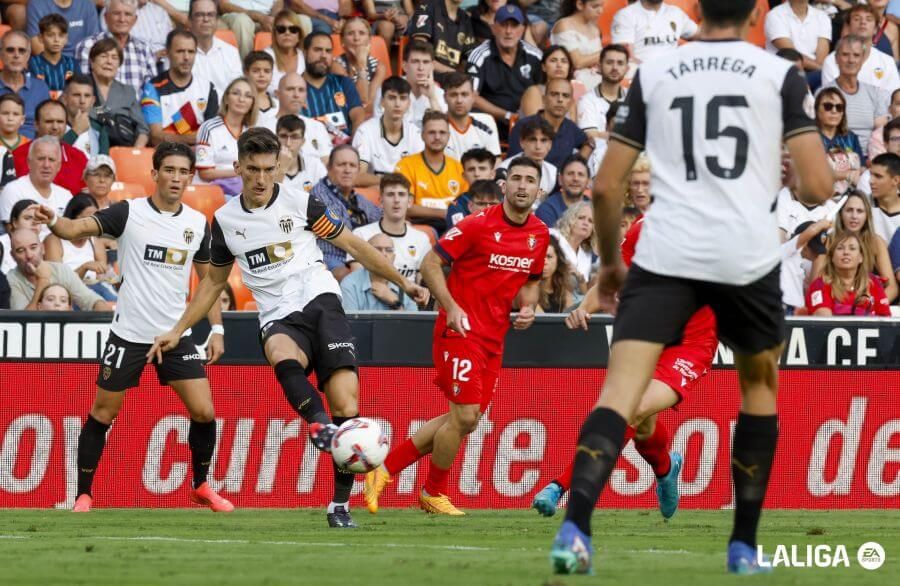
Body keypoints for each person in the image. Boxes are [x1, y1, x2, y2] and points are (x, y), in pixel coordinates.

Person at [548, 0, 833, 576]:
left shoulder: (654, 73)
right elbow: (818, 186)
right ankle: (743, 547)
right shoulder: (779, 74)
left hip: (667, 251)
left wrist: (608, 267)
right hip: (743, 254)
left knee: (618, 395)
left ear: (696, 10)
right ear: (756, 11)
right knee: (758, 392)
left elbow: (605, 189)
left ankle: (575, 530)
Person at [149, 127, 427, 528]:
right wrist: (179, 329)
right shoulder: (225, 221)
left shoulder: (301, 203)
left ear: (278, 166)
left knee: (347, 407)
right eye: (252, 170)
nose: (260, 179)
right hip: (277, 314)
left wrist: (405, 283)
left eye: (267, 169)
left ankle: (338, 504)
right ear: (238, 167)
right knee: (280, 352)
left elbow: (353, 246)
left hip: (320, 301)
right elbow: (212, 283)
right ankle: (319, 424)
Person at [31, 141, 230, 513]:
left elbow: (210, 282)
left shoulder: (195, 223)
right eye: (168, 170)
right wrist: (55, 221)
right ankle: (84, 494)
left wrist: (216, 329)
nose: (176, 177)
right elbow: (76, 225)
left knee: (204, 412)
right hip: (129, 335)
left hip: (175, 336)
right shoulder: (128, 212)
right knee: (103, 413)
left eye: (183, 171)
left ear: (190, 176)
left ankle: (201, 486)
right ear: (154, 174)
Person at [364, 156, 549, 515]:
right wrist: (450, 305)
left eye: (530, 180)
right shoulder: (477, 225)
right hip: (459, 330)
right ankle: (433, 493)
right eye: (517, 178)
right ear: (504, 185)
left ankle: (383, 471)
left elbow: (532, 281)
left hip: (494, 339)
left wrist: (528, 308)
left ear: (539, 189)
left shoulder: (539, 234)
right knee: (464, 418)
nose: (523, 185)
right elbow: (430, 263)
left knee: (463, 418)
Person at [534, 214, 718, 518]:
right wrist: (584, 309)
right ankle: (666, 468)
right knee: (643, 427)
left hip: (691, 345)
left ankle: (560, 487)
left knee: (630, 409)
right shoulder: (645, 229)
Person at [467, 5, 543, 140]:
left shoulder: (535, 56)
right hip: (492, 123)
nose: (509, 31)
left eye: (514, 26)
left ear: (523, 29)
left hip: (528, 120)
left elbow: (543, 91)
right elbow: (472, 97)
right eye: (503, 25)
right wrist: (506, 115)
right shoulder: (479, 55)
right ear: (493, 28)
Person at [312, 144, 383, 280]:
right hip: (330, 258)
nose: (347, 170)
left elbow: (380, 219)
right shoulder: (319, 194)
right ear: (329, 168)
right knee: (354, 278)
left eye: (352, 165)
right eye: (341, 165)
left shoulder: (355, 197)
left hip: (357, 256)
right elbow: (346, 235)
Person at [348, 173, 433, 282]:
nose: (396, 200)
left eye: (401, 194)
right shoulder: (361, 235)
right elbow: (358, 283)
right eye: (390, 194)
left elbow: (423, 285)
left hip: (409, 298)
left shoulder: (422, 239)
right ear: (381, 201)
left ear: (410, 201)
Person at [142, 30, 219, 146]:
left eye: (191, 51)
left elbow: (212, 136)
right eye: (180, 51)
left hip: (201, 156)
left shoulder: (208, 88)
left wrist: (172, 137)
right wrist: (194, 138)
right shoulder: (152, 88)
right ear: (167, 53)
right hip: (165, 155)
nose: (186, 57)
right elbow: (155, 137)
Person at [6, 228, 112, 311]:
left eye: (33, 247)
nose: (29, 255)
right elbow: (22, 322)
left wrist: (104, 313)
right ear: (13, 256)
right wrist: (43, 281)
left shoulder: (61, 270)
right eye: (20, 251)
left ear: (42, 249)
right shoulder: (11, 280)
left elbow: (90, 300)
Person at [823, 190, 899, 302]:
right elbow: (821, 281)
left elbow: (892, 288)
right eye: (849, 210)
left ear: (867, 215)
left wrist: (872, 306)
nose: (854, 216)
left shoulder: (875, 242)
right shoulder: (829, 241)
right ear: (841, 213)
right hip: (836, 303)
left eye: (860, 211)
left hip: (867, 305)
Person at [396, 111, 468, 227]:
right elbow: (404, 206)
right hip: (420, 225)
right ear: (422, 135)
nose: (437, 137)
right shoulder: (405, 165)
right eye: (432, 132)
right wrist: (444, 213)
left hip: (453, 226)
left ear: (449, 136)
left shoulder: (458, 167)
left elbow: (466, 205)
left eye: (442, 132)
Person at [821, 35, 890, 154]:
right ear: (836, 59)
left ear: (863, 60)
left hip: (871, 157)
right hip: (837, 157)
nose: (851, 60)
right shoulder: (824, 94)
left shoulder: (875, 93)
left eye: (856, 55)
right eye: (845, 54)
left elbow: (881, 132)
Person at [75, 0, 158, 97]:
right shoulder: (87, 46)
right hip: (99, 110)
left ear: (135, 20)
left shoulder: (145, 50)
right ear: (106, 17)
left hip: (136, 111)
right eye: (116, 13)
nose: (122, 19)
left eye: (127, 14)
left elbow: (152, 94)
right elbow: (81, 90)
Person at [352, 77, 423, 187]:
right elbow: (357, 177)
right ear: (382, 102)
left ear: (409, 103)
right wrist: (392, 182)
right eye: (392, 98)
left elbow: (420, 176)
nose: (397, 104)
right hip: (375, 193)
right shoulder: (365, 131)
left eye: (403, 98)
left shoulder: (415, 133)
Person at [196, 77, 258, 196]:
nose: (241, 99)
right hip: (213, 192)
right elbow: (205, 173)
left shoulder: (252, 133)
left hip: (243, 191)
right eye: (236, 93)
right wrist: (239, 172)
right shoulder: (208, 128)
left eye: (248, 96)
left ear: (252, 103)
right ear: (226, 99)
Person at [1, 136, 74, 238]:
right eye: (41, 158)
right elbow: (14, 237)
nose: (46, 165)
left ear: (59, 166)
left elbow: (71, 234)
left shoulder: (66, 196)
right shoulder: (13, 190)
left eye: (52, 160)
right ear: (29, 162)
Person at [508, 78, 591, 167]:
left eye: (565, 96)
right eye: (554, 94)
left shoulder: (571, 127)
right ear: (544, 99)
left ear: (570, 103)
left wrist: (576, 164)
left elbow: (589, 142)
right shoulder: (523, 126)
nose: (560, 100)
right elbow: (512, 165)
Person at [12, 100, 89, 195]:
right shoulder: (16, 156)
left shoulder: (79, 157)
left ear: (66, 126)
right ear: (36, 125)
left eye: (60, 122)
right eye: (49, 121)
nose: (55, 127)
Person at [301, 32, 365, 145]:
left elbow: (358, 116)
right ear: (305, 53)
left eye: (328, 51)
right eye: (317, 50)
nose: (323, 55)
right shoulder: (294, 87)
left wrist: (355, 146)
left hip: (344, 153)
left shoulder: (343, 83)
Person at [806, 232, 891, 316]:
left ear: (861, 257)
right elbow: (825, 322)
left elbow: (885, 319)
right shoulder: (820, 284)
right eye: (840, 248)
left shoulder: (873, 282)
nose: (846, 252)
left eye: (852, 248)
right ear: (832, 257)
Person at [822, 5, 900, 95]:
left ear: (875, 29)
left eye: (869, 19)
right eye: (857, 19)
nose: (863, 22)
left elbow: (893, 100)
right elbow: (832, 99)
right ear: (848, 27)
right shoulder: (832, 61)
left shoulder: (887, 62)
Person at [88, 37, 151, 149]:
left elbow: (143, 129)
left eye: (114, 57)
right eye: (103, 56)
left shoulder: (127, 91)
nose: (109, 61)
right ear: (92, 62)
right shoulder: (80, 87)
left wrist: (134, 153)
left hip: (122, 152)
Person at [374, 40, 447, 129]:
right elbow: (382, 128)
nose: (421, 68)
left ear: (432, 66)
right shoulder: (387, 90)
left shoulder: (439, 94)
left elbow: (443, 131)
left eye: (426, 62)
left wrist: (432, 98)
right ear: (404, 66)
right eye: (415, 62)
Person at [341, 232, 421, 311]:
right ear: (366, 255)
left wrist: (395, 303)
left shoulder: (406, 285)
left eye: (389, 250)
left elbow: (411, 324)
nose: (384, 254)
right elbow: (350, 323)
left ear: (394, 257)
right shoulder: (350, 284)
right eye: (377, 249)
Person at [43, 193, 110, 285]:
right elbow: (58, 281)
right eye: (87, 219)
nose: (92, 224)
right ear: (73, 219)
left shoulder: (95, 241)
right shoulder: (54, 241)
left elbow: (103, 276)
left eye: (95, 219)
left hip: (96, 289)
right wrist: (84, 268)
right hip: (66, 295)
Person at [612, 0, 698, 71]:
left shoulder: (676, 12)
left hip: (673, 74)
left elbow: (701, 35)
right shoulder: (626, 15)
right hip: (640, 74)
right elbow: (624, 56)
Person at [407, 0, 478, 84]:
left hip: (452, 81)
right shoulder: (427, 8)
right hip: (426, 77)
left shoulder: (465, 18)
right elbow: (418, 53)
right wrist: (454, 73)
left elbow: (468, 59)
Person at [0, 30, 52, 139]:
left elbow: (48, 127)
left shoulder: (40, 88)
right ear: (1, 53)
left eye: (22, 51)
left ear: (28, 56)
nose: (16, 55)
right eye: (10, 50)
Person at [331, 17, 388, 115]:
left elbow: (367, 101)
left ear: (369, 39)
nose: (356, 38)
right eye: (350, 33)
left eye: (361, 33)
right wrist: (361, 64)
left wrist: (361, 62)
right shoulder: (336, 65)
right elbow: (358, 100)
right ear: (342, 40)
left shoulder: (379, 67)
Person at [189, 0, 244, 98]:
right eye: (199, 15)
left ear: (217, 20)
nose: (206, 19)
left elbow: (237, 91)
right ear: (190, 20)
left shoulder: (231, 52)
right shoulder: (179, 52)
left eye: (210, 15)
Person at [577, 44, 628, 147]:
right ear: (599, 66)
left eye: (620, 63)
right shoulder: (587, 100)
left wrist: (601, 134)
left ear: (627, 68)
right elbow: (590, 136)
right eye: (609, 62)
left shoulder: (632, 98)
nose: (615, 68)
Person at [815, 87, 864, 196]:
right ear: (817, 110)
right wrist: (847, 175)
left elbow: (862, 168)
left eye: (839, 107)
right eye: (828, 106)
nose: (834, 111)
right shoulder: (809, 139)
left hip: (849, 196)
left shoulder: (851, 138)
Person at [444, 72, 501, 160]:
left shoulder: (486, 122)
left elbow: (496, 162)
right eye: (453, 95)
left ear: (473, 97)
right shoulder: (436, 126)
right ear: (445, 97)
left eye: (464, 94)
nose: (459, 100)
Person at [549, 0, 604, 90]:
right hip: (574, 81)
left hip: (597, 76)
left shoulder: (595, 28)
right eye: (595, 6)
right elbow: (577, 62)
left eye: (602, 6)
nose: (600, 11)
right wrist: (605, 53)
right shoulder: (564, 25)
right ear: (580, 4)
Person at [497, 117, 558, 198]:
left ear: (550, 145)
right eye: (533, 140)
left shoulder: (553, 172)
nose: (538, 146)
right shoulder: (505, 169)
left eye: (543, 140)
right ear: (522, 142)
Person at [764, 0, 831, 72]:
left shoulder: (822, 17)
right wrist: (822, 70)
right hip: (785, 71)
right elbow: (791, 54)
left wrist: (821, 70)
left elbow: (821, 57)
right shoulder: (775, 15)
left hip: (815, 71)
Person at [781, 218, 830, 313]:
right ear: (805, 244)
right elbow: (809, 232)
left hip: (796, 308)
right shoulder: (787, 251)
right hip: (784, 305)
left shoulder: (802, 260)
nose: (817, 254)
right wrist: (822, 224)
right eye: (814, 249)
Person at [28, 14, 80, 99]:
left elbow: (78, 92)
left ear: (66, 38)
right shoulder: (33, 63)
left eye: (61, 35)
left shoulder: (73, 64)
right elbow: (33, 93)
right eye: (50, 35)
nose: (56, 40)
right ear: (40, 38)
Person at [26, 0, 99, 60]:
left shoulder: (87, 5)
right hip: (50, 64)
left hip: (82, 63)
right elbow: (37, 47)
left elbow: (94, 43)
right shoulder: (37, 4)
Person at [275, 114, 328, 193]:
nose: (288, 143)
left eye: (294, 137)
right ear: (276, 139)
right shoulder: (264, 165)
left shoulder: (314, 164)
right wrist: (281, 170)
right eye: (283, 136)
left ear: (303, 142)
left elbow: (327, 196)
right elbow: (267, 201)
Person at [520, 45, 576, 119]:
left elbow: (572, 128)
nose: (559, 65)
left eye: (564, 61)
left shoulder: (570, 98)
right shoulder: (534, 92)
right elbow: (535, 126)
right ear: (543, 67)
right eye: (553, 60)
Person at [550, 200, 594, 291]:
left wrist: (579, 277)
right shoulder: (552, 235)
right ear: (570, 219)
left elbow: (583, 292)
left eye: (590, 221)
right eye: (581, 218)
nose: (585, 223)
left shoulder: (586, 254)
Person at [535, 154, 589, 228]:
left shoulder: (595, 209)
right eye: (570, 174)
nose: (576, 178)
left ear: (588, 182)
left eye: (581, 174)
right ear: (560, 179)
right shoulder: (546, 210)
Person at [61, 75, 104, 159]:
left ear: (93, 101)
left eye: (87, 96)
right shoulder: (54, 125)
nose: (82, 101)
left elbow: (104, 164)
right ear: (65, 99)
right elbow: (53, 154)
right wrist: (75, 132)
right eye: (76, 95)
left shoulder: (99, 129)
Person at [265, 10, 307, 96]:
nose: (287, 33)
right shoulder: (265, 56)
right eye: (281, 29)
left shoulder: (305, 57)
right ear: (274, 34)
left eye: (293, 29)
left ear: (299, 35)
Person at [869, 152, 900, 253]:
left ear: (895, 180)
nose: (871, 181)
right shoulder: (862, 206)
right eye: (871, 175)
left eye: (878, 176)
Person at [536, 235, 574, 313]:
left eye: (549, 257)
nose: (544, 262)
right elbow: (542, 321)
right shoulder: (525, 290)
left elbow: (571, 321)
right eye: (540, 256)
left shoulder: (565, 292)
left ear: (558, 260)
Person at [0, 198, 38, 274]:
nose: (34, 222)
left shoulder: (46, 243)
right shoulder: (1, 243)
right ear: (14, 222)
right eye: (27, 218)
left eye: (38, 219)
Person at [0, 94, 28, 187]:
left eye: (15, 114)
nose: (10, 118)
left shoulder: (31, 146)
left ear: (22, 119)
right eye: (5, 113)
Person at [244, 51, 278, 123]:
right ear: (246, 73)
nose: (262, 75)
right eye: (256, 71)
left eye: (267, 71)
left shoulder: (279, 105)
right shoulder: (240, 103)